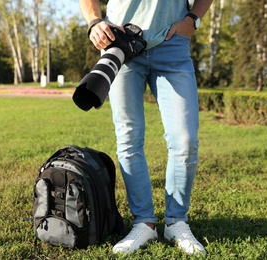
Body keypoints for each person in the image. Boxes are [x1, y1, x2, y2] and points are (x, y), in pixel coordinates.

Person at [79, 0, 213, 255]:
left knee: (185, 140)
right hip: (120, 43)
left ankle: (176, 222)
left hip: (173, 43)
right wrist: (95, 23)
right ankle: (144, 222)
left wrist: (192, 19)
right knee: (128, 138)